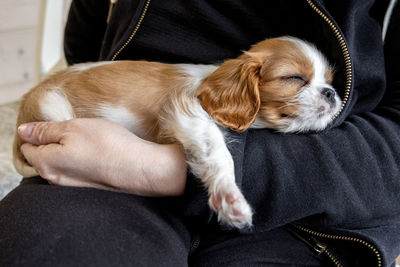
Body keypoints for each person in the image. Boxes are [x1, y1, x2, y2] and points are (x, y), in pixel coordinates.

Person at [1, 0, 399, 266]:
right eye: (296, 79)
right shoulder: (218, 91)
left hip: (308, 207)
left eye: (324, 83)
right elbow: (85, 42)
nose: (325, 95)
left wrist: (163, 168)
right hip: (99, 158)